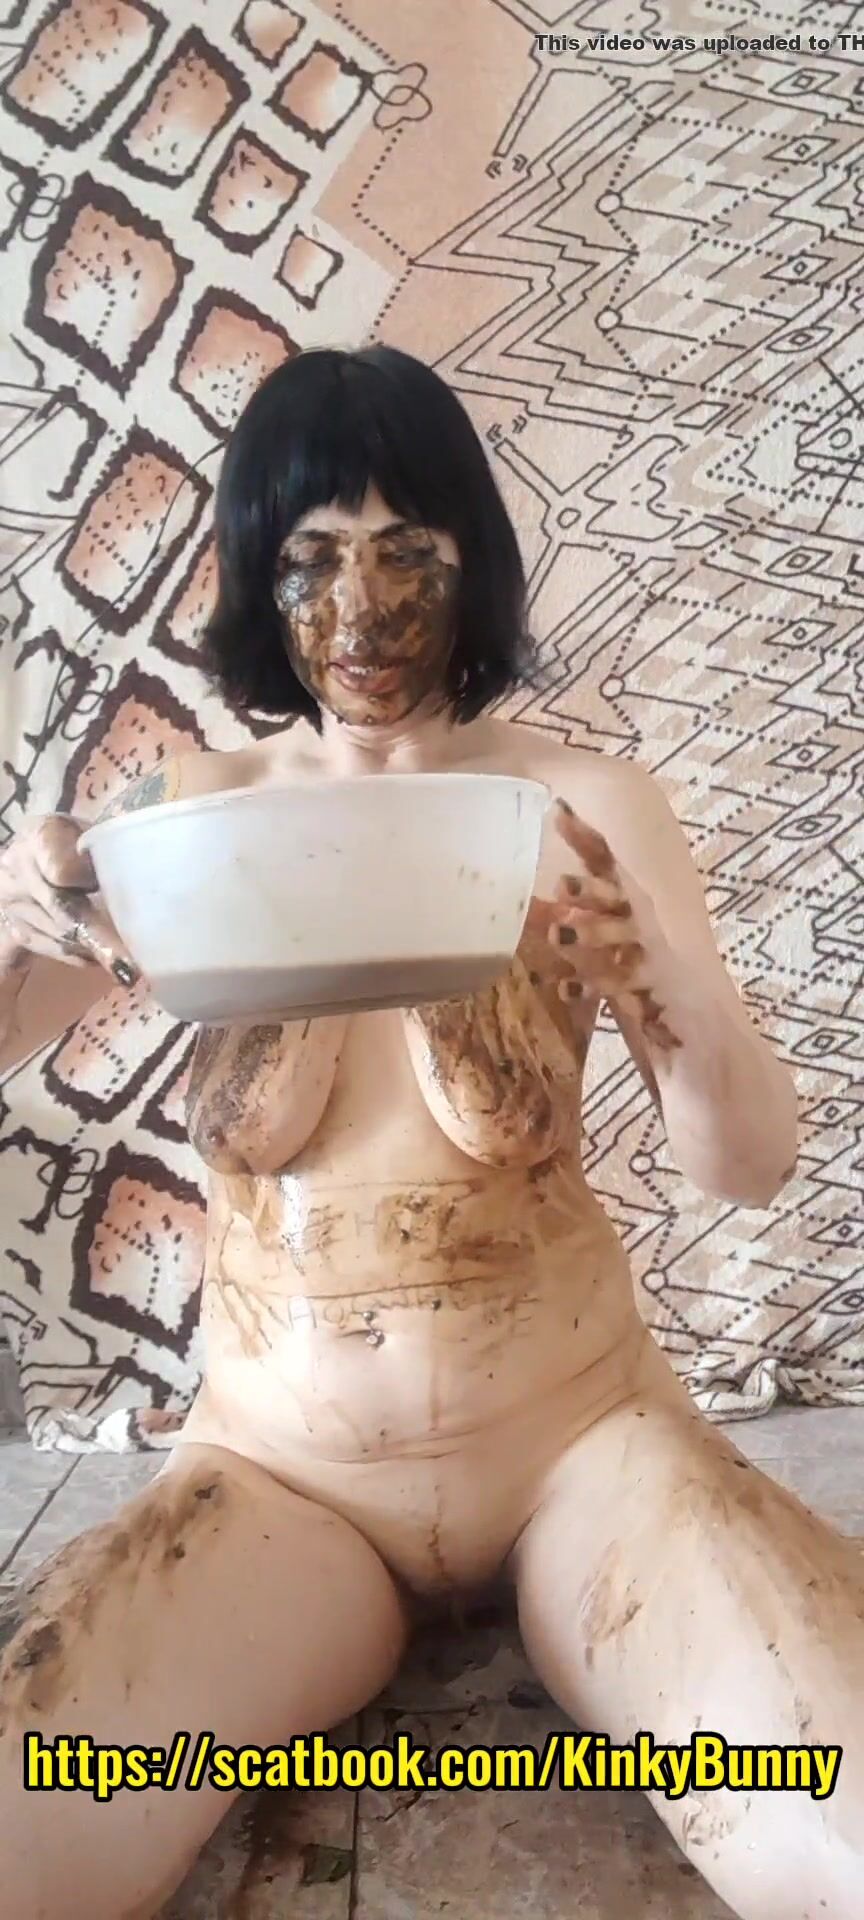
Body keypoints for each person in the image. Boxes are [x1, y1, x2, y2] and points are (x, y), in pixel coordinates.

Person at [0, 344, 860, 1920]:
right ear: (256, 576)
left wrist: (652, 969)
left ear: (475, 560)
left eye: (410, 551)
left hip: (581, 1451)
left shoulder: (579, 803)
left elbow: (747, 1166)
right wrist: (17, 912)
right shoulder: (193, 818)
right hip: (278, 1483)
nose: (364, 609)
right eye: (313, 556)